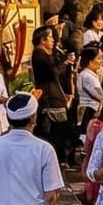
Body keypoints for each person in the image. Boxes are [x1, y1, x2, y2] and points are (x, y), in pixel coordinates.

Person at [30, 25, 73, 160]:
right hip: (48, 99)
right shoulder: (39, 54)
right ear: (42, 40)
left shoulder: (51, 54)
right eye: (50, 37)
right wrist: (65, 62)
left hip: (56, 95)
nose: (53, 40)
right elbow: (54, 72)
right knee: (51, 133)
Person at [74, 43, 103, 138]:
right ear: (90, 61)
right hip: (89, 111)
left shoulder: (88, 75)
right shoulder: (88, 77)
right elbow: (100, 96)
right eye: (99, 58)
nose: (101, 61)